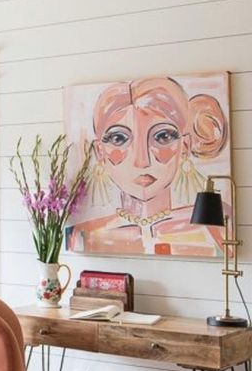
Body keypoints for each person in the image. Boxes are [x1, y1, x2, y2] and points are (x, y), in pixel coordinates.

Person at [66, 77, 229, 256]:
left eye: (163, 137)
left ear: (185, 146)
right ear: (100, 151)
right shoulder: (79, 235)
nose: (142, 161)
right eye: (118, 139)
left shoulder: (216, 226)